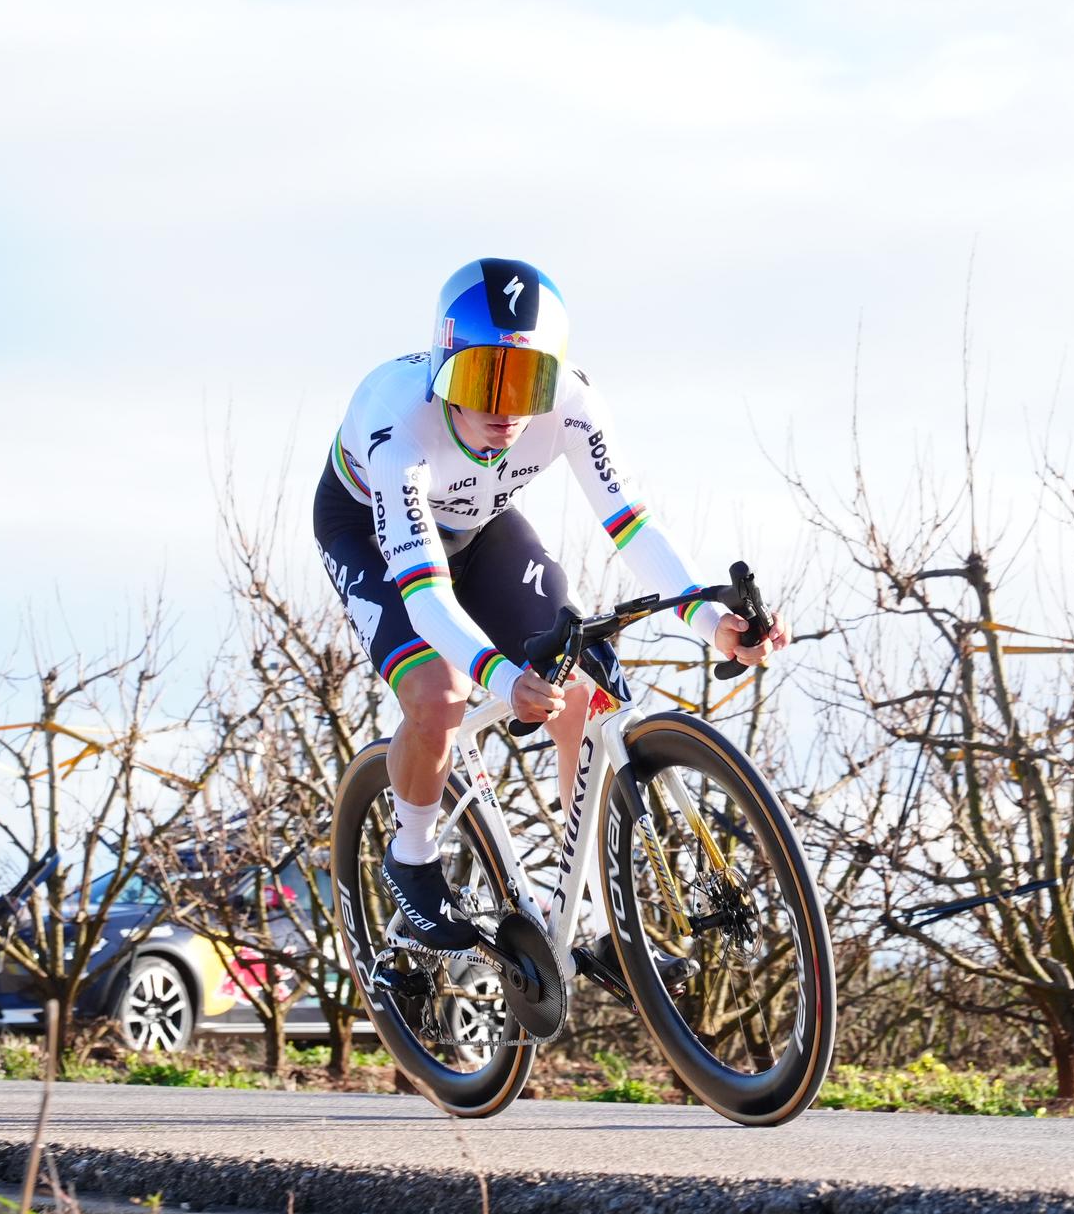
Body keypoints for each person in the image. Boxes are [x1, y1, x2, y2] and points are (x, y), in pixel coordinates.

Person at [313, 257, 787, 975]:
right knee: (440, 695)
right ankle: (411, 859)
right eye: (481, 383)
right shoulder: (394, 421)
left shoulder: (574, 404)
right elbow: (423, 593)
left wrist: (705, 619)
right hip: (374, 537)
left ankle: (603, 921)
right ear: (444, 371)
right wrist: (499, 677)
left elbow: (629, 523)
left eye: (526, 384)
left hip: (482, 532)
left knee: (585, 691)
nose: (504, 411)